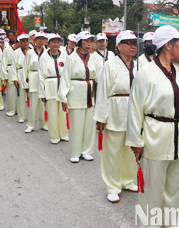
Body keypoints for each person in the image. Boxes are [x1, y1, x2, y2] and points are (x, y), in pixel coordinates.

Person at [126, 25, 179, 228]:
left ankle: (172, 220)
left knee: (175, 182)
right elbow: (135, 109)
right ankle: (149, 226)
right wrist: (135, 141)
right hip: (155, 135)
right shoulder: (145, 74)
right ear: (168, 45)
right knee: (153, 184)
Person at [94, 30, 140, 203]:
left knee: (130, 150)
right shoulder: (110, 65)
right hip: (114, 112)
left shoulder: (138, 66)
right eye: (128, 43)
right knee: (112, 152)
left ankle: (128, 180)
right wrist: (101, 117)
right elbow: (102, 91)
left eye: (134, 43)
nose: (132, 46)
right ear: (118, 46)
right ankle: (112, 186)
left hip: (133, 113)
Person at [57, 31, 100, 163]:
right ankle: (75, 152)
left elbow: (98, 77)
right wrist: (63, 97)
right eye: (86, 41)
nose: (89, 43)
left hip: (90, 94)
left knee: (89, 125)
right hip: (75, 93)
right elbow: (65, 78)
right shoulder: (71, 58)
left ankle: (86, 151)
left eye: (91, 41)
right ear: (79, 42)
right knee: (76, 125)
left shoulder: (94, 58)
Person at [38, 33, 69, 144]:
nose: (56, 44)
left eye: (58, 41)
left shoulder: (65, 55)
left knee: (63, 112)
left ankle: (64, 134)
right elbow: (41, 76)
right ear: (48, 43)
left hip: (63, 85)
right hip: (50, 85)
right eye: (53, 42)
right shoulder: (44, 57)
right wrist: (42, 93)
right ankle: (54, 136)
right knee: (52, 112)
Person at [23, 32, 48, 133]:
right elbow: (25, 68)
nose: (41, 41)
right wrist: (25, 83)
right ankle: (30, 125)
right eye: (39, 39)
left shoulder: (48, 52)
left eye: (43, 39)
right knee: (33, 105)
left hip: (44, 80)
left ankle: (44, 123)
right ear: (35, 40)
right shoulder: (29, 53)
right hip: (33, 78)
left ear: (45, 41)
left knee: (43, 105)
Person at [10, 34, 31, 123]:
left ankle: (32, 116)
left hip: (31, 74)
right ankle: (21, 116)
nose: (25, 43)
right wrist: (14, 78)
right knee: (21, 96)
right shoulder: (16, 52)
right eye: (23, 41)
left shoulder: (33, 51)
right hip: (20, 73)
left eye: (26, 40)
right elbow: (13, 66)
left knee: (32, 97)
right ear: (19, 42)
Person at [1, 35, 20, 116]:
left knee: (19, 93)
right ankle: (10, 110)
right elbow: (3, 63)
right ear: (18, 42)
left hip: (19, 71)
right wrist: (5, 76)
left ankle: (17, 109)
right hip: (10, 70)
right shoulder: (7, 49)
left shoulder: (20, 51)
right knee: (11, 92)